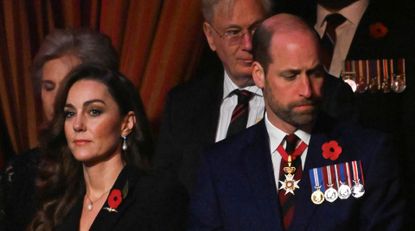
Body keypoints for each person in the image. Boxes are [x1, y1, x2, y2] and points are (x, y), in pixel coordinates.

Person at [189, 13, 404, 230]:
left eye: (315, 73)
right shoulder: (221, 165)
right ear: (259, 75)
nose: (307, 90)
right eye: (291, 76)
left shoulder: (368, 154)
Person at [155, 0, 354, 193]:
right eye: (233, 33)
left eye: (256, 29)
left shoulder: (323, 96)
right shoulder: (183, 103)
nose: (249, 44)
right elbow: (166, 196)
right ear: (210, 36)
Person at [0, 28, 153, 230]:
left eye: (94, 111)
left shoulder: (152, 191)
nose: (57, 100)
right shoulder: (25, 175)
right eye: (48, 87)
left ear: (126, 122)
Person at [28, 64, 187, 230]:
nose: (78, 124)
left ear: (126, 123)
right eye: (70, 113)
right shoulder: (61, 202)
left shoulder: (155, 195)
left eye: (94, 111)